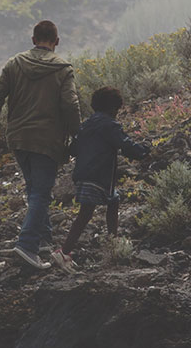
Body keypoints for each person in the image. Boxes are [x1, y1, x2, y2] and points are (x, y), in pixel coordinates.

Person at [0, 20, 81, 270]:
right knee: (41, 193)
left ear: (33, 39)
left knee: (34, 188)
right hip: (47, 140)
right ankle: (27, 245)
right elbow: (70, 105)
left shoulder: (14, 63)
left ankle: (43, 241)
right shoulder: (63, 69)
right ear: (57, 42)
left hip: (18, 137)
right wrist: (77, 136)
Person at [56, 86, 150, 271]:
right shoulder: (110, 125)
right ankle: (63, 252)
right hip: (97, 175)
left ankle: (112, 242)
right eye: (117, 109)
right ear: (113, 108)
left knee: (113, 200)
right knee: (85, 214)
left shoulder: (86, 125)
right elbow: (125, 144)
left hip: (85, 174)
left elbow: (73, 150)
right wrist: (144, 150)